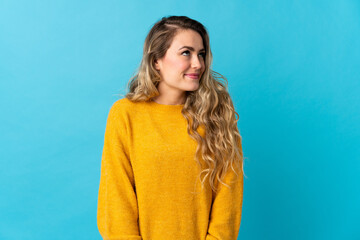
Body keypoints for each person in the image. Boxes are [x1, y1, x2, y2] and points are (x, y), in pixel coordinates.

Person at [97, 15, 245, 240]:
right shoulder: (125, 114)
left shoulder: (217, 116)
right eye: (186, 52)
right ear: (157, 60)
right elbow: (116, 200)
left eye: (201, 54)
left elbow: (228, 199)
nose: (197, 64)